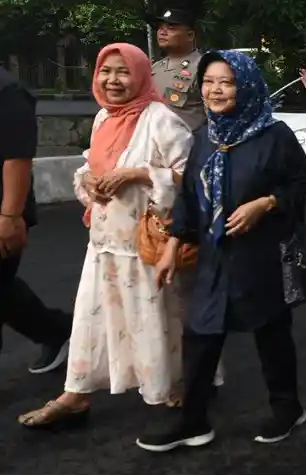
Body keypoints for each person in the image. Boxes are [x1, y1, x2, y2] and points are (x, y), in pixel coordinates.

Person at [136, 51, 306, 452]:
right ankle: (193, 420)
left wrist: (265, 204)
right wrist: (172, 248)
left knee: (270, 332)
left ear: (245, 86)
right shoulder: (205, 137)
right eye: (209, 82)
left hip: (261, 254)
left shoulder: (274, 136)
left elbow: (302, 187)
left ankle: (287, 407)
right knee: (200, 332)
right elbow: (189, 200)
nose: (215, 90)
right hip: (216, 256)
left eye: (226, 82)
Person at [19, 44, 193, 429]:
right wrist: (91, 183)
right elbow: (89, 165)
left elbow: (189, 178)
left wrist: (138, 174)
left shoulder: (162, 120)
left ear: (141, 75)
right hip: (104, 242)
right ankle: (76, 393)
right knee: (93, 320)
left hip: (146, 245)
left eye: (123, 72)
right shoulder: (103, 119)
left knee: (157, 315)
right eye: (105, 72)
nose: (113, 81)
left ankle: (174, 386)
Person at [0, 66, 73, 374]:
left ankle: (59, 331)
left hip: (4, 207)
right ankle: (60, 331)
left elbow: (16, 157)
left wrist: (9, 215)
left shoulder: (8, 91)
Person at [150, 7, 206, 131]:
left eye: (171, 27)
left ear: (190, 35)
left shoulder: (203, 67)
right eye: (160, 27)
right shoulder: (155, 68)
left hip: (192, 143)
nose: (162, 32)